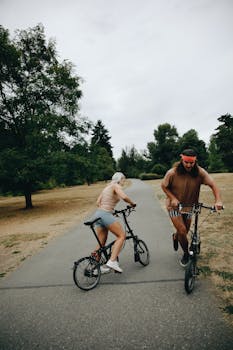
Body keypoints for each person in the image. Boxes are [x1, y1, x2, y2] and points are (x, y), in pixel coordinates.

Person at [161, 149, 223, 267]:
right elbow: (164, 186)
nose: (189, 165)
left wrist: (218, 200)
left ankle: (176, 236)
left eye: (191, 162)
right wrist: (172, 198)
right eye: (186, 162)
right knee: (183, 231)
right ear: (182, 159)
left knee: (184, 230)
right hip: (174, 207)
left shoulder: (200, 172)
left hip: (190, 206)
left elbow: (213, 185)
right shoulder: (172, 173)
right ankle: (185, 253)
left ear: (195, 161)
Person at [91, 172, 136, 273]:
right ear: (119, 179)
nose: (124, 181)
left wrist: (110, 211)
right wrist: (132, 203)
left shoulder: (107, 187)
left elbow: (98, 202)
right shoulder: (116, 186)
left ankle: (94, 267)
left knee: (101, 243)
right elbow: (124, 197)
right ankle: (112, 261)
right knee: (121, 236)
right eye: (123, 179)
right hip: (105, 214)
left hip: (98, 215)